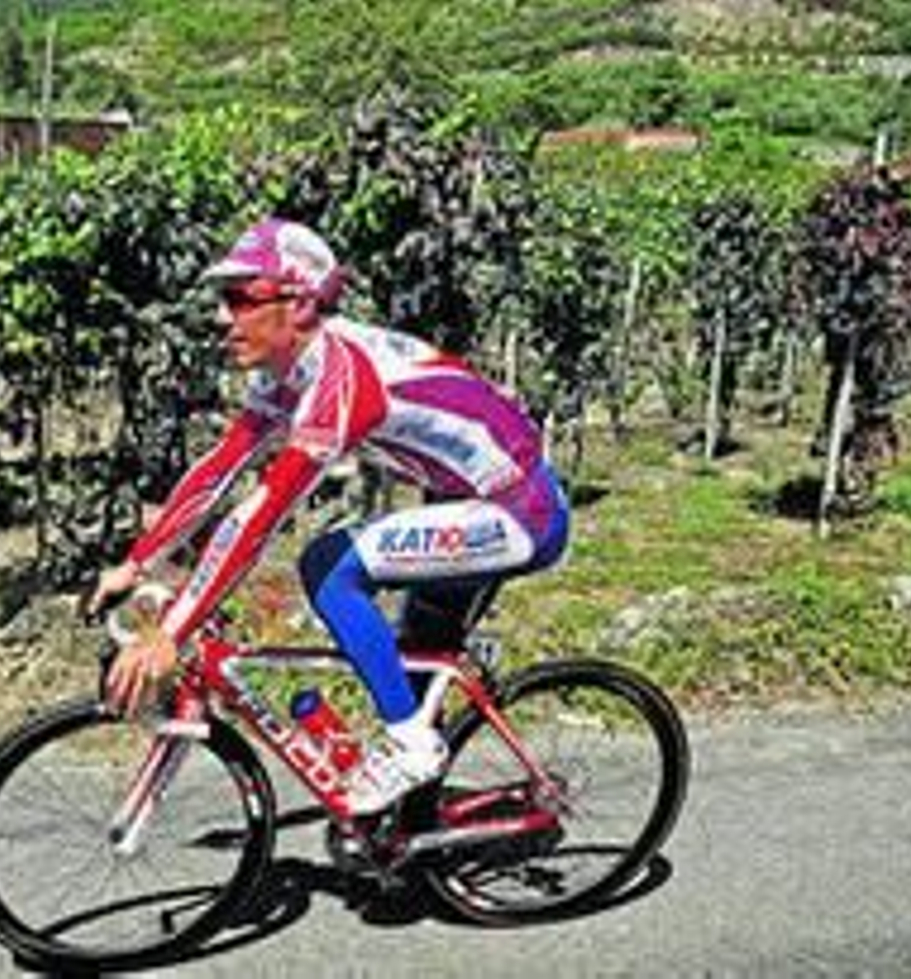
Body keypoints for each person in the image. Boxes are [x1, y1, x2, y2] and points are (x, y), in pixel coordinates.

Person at [91, 218, 569, 815]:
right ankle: (414, 829)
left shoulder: (345, 382)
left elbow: (262, 514)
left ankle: (412, 745)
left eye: (241, 299)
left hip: (520, 511)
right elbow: (219, 470)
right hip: (463, 500)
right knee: (413, 669)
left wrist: (174, 632)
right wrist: (137, 562)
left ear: (298, 305)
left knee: (327, 566)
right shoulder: (290, 373)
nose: (222, 317)